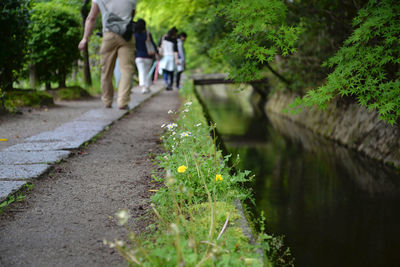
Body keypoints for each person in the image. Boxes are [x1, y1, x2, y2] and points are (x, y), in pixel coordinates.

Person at [78, 0, 137, 109]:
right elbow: (132, 15)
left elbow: (91, 18)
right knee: (127, 70)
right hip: (126, 36)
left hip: (108, 34)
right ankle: (122, 102)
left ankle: (107, 101)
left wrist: (85, 38)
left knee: (106, 70)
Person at [134, 19, 158, 94]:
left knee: (141, 71)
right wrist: (157, 53)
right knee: (147, 72)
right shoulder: (147, 34)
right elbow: (153, 44)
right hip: (148, 56)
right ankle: (146, 87)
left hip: (139, 56)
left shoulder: (134, 35)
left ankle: (144, 86)